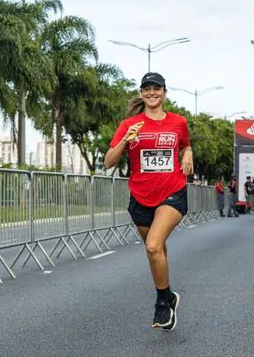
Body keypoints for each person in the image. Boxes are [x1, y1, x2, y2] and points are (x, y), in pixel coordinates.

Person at [104, 72, 193, 332]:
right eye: (147, 88)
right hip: (140, 197)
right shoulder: (130, 124)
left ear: (165, 92)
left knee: (153, 247)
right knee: (158, 249)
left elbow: (185, 145)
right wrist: (125, 140)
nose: (152, 92)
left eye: (157, 88)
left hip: (172, 192)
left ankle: (161, 302)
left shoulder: (179, 122)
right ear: (142, 93)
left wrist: (188, 155)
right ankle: (169, 296)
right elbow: (109, 161)